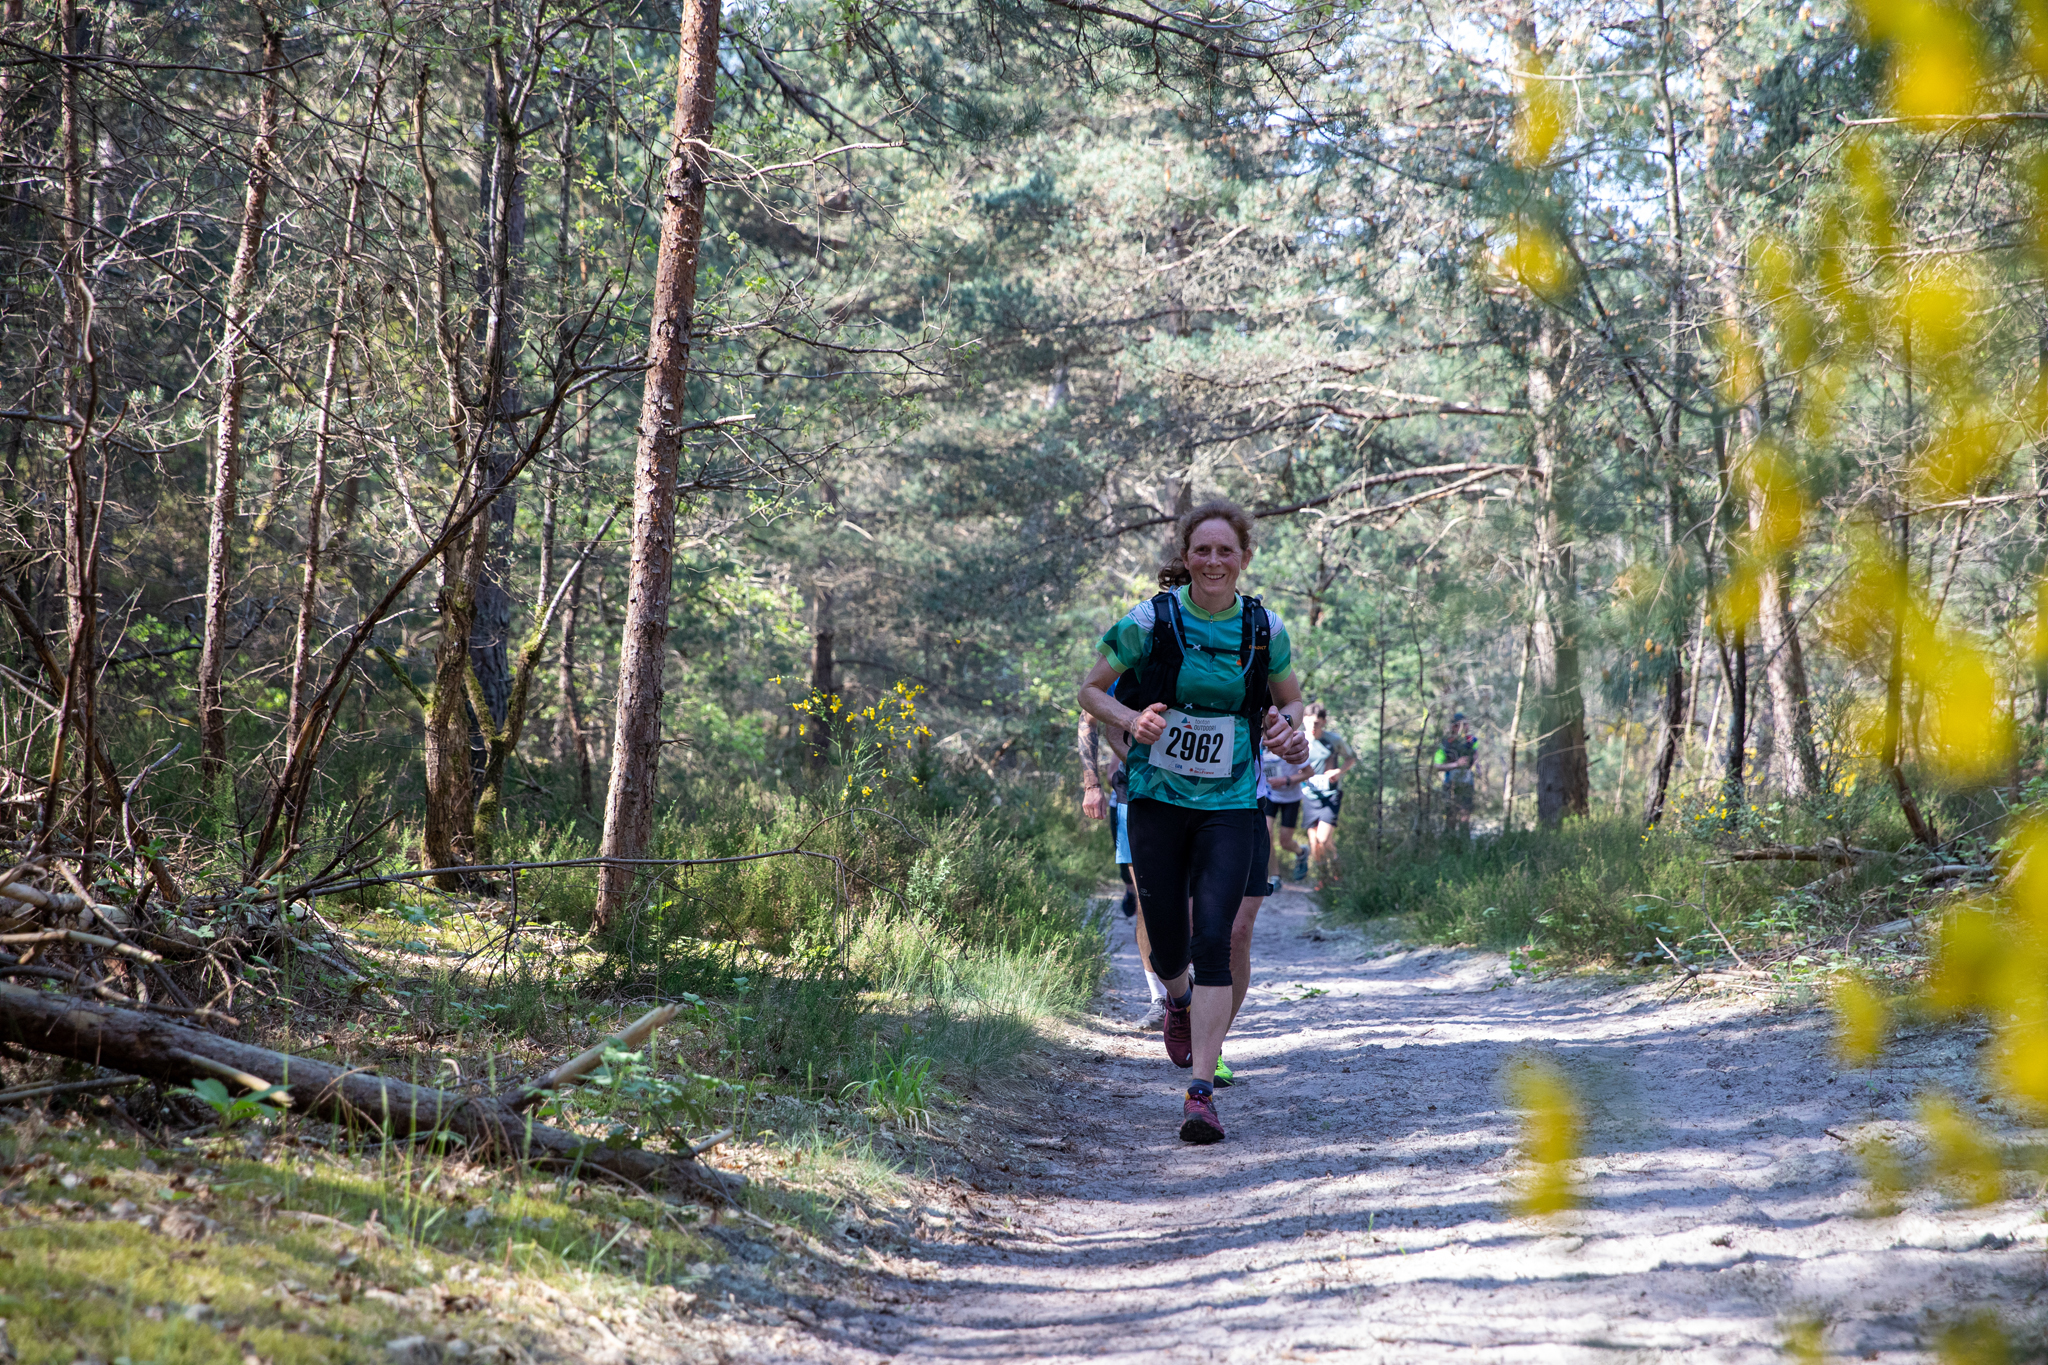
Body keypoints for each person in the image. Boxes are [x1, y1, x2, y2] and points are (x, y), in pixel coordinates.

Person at [1078, 499, 1310, 1145]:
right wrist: (1130, 719)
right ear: (1186, 556)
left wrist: (1286, 729)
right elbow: (1089, 690)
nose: (1213, 560)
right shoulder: (1149, 620)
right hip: (1156, 798)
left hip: (1231, 803)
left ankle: (1200, 1094)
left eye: (1224, 550)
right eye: (1201, 550)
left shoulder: (1264, 627)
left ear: (1244, 558)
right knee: (1168, 944)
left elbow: (1291, 700)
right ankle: (1177, 1001)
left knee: (1215, 939)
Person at [1078, 712, 1171, 1028]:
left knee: (1190, 901)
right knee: (1147, 903)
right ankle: (1159, 1000)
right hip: (1134, 794)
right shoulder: (1119, 680)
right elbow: (1088, 718)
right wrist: (1092, 784)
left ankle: (1193, 989)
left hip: (1196, 796)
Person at [1297, 703, 1357, 887]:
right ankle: (1324, 880)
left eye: (1316, 723)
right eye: (1308, 722)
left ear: (1323, 722)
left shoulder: (1333, 740)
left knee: (1323, 839)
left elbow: (1351, 758)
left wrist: (1339, 771)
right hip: (1309, 795)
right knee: (1314, 842)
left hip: (1330, 794)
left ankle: (1338, 873)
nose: (1312, 726)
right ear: (1303, 721)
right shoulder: (1299, 740)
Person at [1261, 745, 1309, 883]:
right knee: (1267, 834)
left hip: (1291, 798)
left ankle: (1301, 852)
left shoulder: (1291, 743)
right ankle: (1275, 877)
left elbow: (1308, 772)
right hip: (1269, 796)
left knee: (1285, 842)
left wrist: (1285, 780)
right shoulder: (1258, 744)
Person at [1432, 711, 1479, 838]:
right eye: (1460, 725)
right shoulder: (1445, 743)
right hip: (1450, 783)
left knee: (1465, 816)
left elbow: (1475, 755)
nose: (1465, 728)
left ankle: (1464, 843)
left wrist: (1474, 763)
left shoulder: (1472, 740)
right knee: (1451, 816)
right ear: (1454, 726)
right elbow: (1436, 766)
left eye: (1466, 724)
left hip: (1467, 783)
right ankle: (1449, 842)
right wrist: (1456, 764)